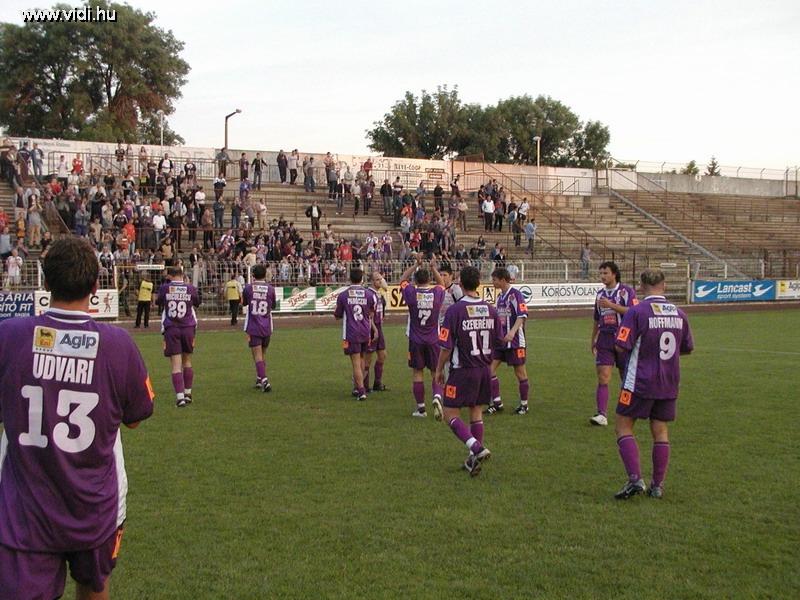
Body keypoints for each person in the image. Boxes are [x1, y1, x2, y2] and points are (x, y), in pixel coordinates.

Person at [0, 237, 154, 600]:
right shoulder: (118, 344)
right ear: (96, 287)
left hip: (25, 507)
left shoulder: (9, 335)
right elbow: (136, 417)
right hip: (95, 505)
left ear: (46, 283)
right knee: (93, 586)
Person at [613, 269, 693, 500]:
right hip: (669, 381)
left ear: (640, 286)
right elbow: (687, 348)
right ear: (664, 286)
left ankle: (635, 479)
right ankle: (657, 486)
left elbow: (621, 345)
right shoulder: (679, 313)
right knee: (660, 429)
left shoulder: (637, 311)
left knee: (623, 425)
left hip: (639, 380)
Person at [434, 265, 498, 476]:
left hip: (463, 370)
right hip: (484, 369)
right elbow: (497, 340)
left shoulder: (455, 311)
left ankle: (476, 447)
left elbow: (446, 346)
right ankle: (473, 459)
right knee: (476, 412)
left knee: (449, 413)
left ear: (460, 284)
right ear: (479, 284)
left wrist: (438, 370)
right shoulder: (491, 309)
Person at [590, 262, 638, 426]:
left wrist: (611, 305)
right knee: (603, 376)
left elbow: (634, 312)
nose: (602, 276)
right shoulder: (600, 294)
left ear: (614, 274)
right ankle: (601, 414)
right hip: (604, 338)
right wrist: (593, 339)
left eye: (605, 273)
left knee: (626, 378)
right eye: (601, 273)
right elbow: (596, 318)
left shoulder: (626, 292)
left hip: (623, 338)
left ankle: (630, 409)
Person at [399, 255, 445, 417]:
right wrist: (433, 268)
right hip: (434, 339)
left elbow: (402, 280)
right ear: (429, 280)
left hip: (416, 339)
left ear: (416, 281)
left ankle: (421, 409)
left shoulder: (411, 292)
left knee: (417, 372)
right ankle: (437, 396)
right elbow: (442, 284)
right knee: (435, 371)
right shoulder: (436, 293)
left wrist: (415, 264)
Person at [484, 267, 531, 415]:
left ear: (503, 280)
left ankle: (524, 405)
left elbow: (522, 314)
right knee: (489, 370)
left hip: (515, 341)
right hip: (501, 341)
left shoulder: (515, 295)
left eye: (494, 280)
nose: (492, 282)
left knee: (520, 372)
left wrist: (512, 332)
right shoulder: (500, 297)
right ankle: (497, 402)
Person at [156, 266, 201, 407]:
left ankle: (180, 397)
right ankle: (188, 393)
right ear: (182, 275)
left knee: (176, 364)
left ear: (170, 276)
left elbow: (158, 302)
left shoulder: (165, 288)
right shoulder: (190, 288)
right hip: (188, 327)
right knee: (187, 361)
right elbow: (197, 303)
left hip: (172, 328)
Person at [334, 268, 376, 402]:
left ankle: (361, 391)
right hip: (365, 331)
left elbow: (337, 315)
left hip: (351, 332)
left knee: (356, 363)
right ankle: (359, 387)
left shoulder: (343, 295)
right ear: (362, 279)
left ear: (349, 279)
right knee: (362, 359)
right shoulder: (369, 294)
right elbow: (371, 312)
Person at [243, 264, 277, 392]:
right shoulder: (270, 289)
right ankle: (259, 378)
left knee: (257, 355)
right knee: (263, 354)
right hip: (267, 325)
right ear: (265, 275)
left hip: (254, 325)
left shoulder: (248, 288)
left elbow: (244, 303)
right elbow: (273, 305)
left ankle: (264, 380)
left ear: (253, 275)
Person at [363, 271, 389, 392]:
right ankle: (364, 385)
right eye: (378, 279)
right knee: (368, 358)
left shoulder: (378, 294)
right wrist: (374, 328)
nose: (380, 281)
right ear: (372, 281)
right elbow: (369, 316)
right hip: (371, 328)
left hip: (378, 327)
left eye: (381, 279)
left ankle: (377, 383)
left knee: (382, 355)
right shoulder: (369, 294)